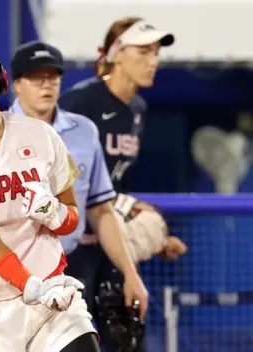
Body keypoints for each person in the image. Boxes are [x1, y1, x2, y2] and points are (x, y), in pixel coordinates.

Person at [0, 39, 148, 352]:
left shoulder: (42, 135)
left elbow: (72, 219)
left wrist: (56, 213)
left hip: (51, 295)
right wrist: (30, 286)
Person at [58, 17, 187, 351]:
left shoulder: (138, 109)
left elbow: (118, 181)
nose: (153, 60)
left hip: (109, 242)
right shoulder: (80, 103)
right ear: (115, 54)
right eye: (143, 51)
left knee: (127, 335)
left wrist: (154, 234)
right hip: (71, 247)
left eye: (156, 52)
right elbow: (65, 177)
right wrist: (128, 206)